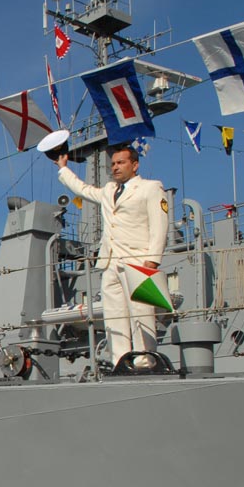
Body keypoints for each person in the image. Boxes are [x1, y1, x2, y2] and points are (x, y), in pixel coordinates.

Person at [57, 144, 168, 367]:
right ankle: (120, 361)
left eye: (121, 163)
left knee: (141, 312)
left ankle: (145, 361)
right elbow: (83, 189)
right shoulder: (109, 190)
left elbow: (160, 224)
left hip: (137, 260)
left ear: (134, 165)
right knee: (114, 316)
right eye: (113, 163)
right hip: (110, 261)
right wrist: (63, 168)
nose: (115, 167)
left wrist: (152, 260)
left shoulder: (151, 188)